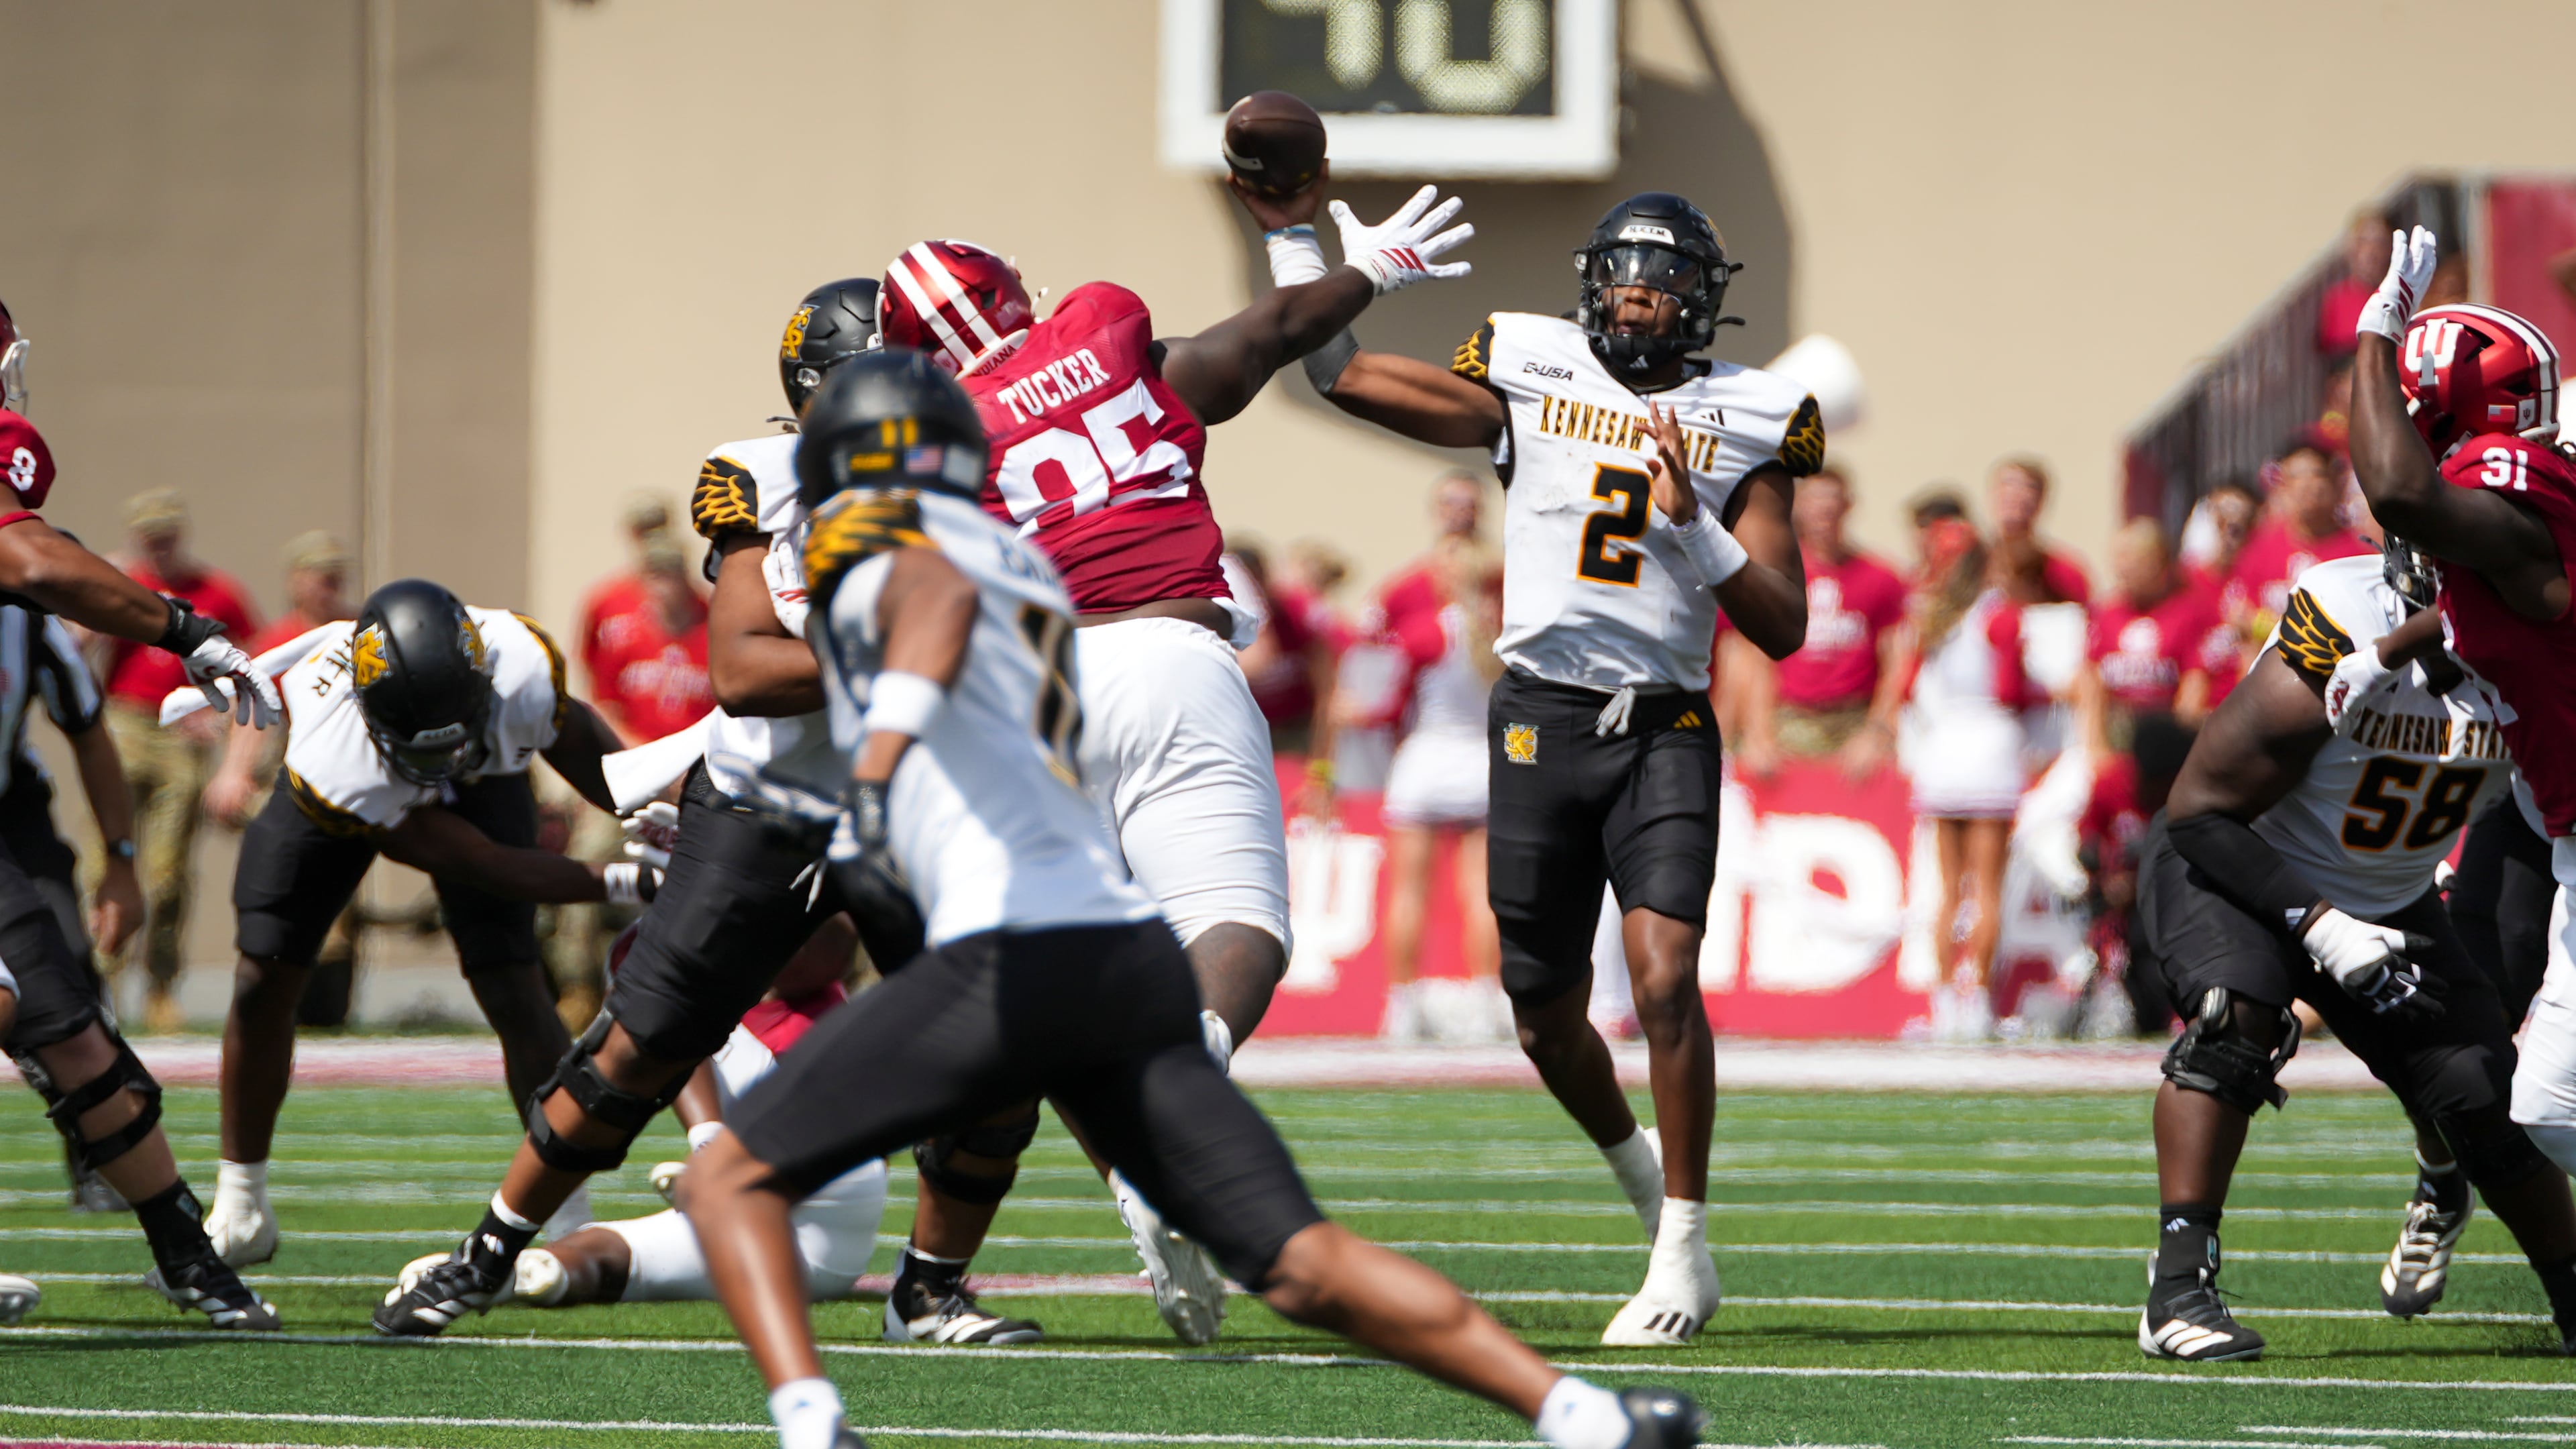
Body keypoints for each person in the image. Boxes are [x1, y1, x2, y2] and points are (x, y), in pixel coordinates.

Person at [676, 347, 1705, 1449]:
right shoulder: (1029, 565)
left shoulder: (906, 554)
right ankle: (1582, 1415)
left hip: (1007, 961)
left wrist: (876, 774)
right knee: (1301, 1262)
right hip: (1122, 957)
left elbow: (919, 629)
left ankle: (809, 1421)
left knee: (730, 1179)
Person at [871, 174, 1474, 1342]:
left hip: (1028, 695)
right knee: (1237, 925)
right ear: (1017, 299)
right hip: (1169, 649)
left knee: (1058, 988)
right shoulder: (1110, 349)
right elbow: (1274, 336)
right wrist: (1366, 264)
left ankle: (1073, 1201)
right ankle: (1180, 1086)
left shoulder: (921, 447)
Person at [372, 275, 1030, 1344]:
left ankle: (930, 1291)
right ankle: (484, 1255)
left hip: (909, 802)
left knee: (998, 1049)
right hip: (766, 803)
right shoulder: (766, 477)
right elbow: (744, 668)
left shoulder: (971, 477)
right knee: (641, 1048)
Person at [1288, 190, 1819, 1344]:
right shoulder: (1527, 364)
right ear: (1593, 284)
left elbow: (1782, 626)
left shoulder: (1754, 416)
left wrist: (1699, 526)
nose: (1638, 295)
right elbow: (1338, 374)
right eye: (1623, 275)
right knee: (1540, 1014)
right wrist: (1328, 265)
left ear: (1700, 302)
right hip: (1539, 718)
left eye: (1661, 280)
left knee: (1667, 975)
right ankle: (1637, 1169)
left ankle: (1682, 1241)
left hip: (1667, 725)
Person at [2135, 544, 2576, 1360]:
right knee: (2237, 1020)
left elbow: (2534, 827)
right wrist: (2326, 929)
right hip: (2239, 863)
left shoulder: (2547, 652)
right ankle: (2179, 1288)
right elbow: (2199, 812)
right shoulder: (2344, 610)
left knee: (2484, 1091)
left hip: (2395, 890)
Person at [203, 579, 658, 1268]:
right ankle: (240, 1205)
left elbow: (596, 755)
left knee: (514, 981)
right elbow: (489, 865)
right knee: (262, 975)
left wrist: (658, 819)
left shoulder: (520, 667)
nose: (436, 766)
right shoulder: (338, 756)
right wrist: (634, 879)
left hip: (486, 770)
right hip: (357, 796)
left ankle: (565, 1210)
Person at [0, 290, 285, 1328]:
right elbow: (31, 557)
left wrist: (119, 857)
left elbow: (42, 576)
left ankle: (187, 1256)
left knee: (75, 1039)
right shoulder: (25, 552)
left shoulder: (30, 615)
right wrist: (188, 630)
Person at [2339, 232, 2576, 1332]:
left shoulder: (2508, 480)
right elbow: (2503, 588)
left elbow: (2402, 491)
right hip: (2546, 796)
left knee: (2544, 1101)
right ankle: (2446, 1175)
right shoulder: (2514, 498)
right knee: (2518, 1074)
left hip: (2561, 795)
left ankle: (2456, 1175)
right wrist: (2387, 651)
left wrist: (2375, 329)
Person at [385, 919, 887, 1317]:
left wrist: (705, 869)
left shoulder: (792, 975)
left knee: (666, 1008)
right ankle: (519, 1274)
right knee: (593, 1260)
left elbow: (828, 937)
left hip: (813, 1163)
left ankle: (715, 1153)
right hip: (827, 1250)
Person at [93, 488, 260, 1031]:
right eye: (149, 537)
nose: (159, 546)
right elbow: (70, 646)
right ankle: (101, 979)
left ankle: (162, 983)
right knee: (108, 858)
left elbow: (250, 663)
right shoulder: (120, 583)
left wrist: (220, 707)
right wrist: (97, 587)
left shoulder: (216, 591)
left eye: (167, 535)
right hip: (124, 721)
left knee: (168, 869)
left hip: (180, 731)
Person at [203, 531, 362, 1027]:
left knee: (340, 890)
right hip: (302, 774)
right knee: (291, 878)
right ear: (297, 582)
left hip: (356, 774)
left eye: (336, 577)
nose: (328, 587)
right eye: (319, 577)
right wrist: (233, 774)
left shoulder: (362, 631)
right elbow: (252, 709)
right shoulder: (280, 640)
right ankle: (286, 997)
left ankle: (329, 1008)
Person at [1876, 521, 2024, 1042]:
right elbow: (2011, 687)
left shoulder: (1928, 616)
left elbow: (1909, 686)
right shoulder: (2000, 614)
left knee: (1946, 888)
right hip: (1990, 743)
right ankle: (1977, 1004)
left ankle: (1942, 1005)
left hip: (1944, 749)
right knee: (1986, 886)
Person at [1371, 536, 1507, 1042]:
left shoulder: (1420, 633)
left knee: (1409, 892)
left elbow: (1388, 705)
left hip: (1426, 763)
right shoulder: (1499, 634)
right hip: (1482, 765)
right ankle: (1488, 1003)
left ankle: (1402, 1005)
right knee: (1482, 895)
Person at [1733, 466, 1907, 779]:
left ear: (1848, 507)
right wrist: (1758, 733)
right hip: (1789, 719)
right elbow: (1756, 660)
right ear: (1799, 506)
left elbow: (1897, 664)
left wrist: (1876, 733)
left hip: (1853, 721)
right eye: (1815, 502)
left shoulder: (1881, 578)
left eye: (1832, 503)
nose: (1824, 513)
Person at [2076, 519, 2237, 813]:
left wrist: (2172, 751)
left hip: (2163, 741)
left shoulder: (2188, 612)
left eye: (2133, 560)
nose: (2122, 569)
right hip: (2118, 736)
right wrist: (2097, 749)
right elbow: (2093, 682)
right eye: (2119, 560)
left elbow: (2194, 685)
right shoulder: (2106, 613)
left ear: (2160, 565)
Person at [2227, 443, 2372, 638]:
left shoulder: (2358, 555)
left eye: (2316, 475)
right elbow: (2239, 618)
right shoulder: (2259, 549)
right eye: (2295, 477)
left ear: (2335, 484)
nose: (2305, 486)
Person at [1986, 458, 2090, 606]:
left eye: (2028, 487)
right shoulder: (1972, 563)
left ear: (2040, 501)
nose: (2014, 494)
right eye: (2007, 484)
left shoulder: (2062, 573)